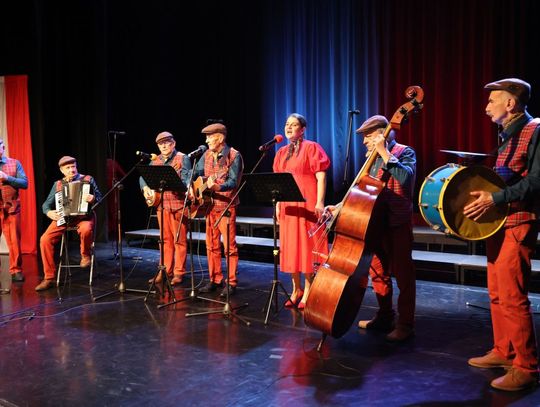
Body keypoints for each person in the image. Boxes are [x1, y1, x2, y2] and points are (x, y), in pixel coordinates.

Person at [464, 78, 540, 391]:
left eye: (492, 101)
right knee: (496, 292)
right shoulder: (507, 134)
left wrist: (494, 198)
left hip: (519, 220)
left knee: (512, 296)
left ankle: (526, 367)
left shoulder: (535, 130)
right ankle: (504, 350)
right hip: (499, 222)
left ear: (510, 103)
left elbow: (536, 181)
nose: (486, 107)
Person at [329, 115, 417, 342]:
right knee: (378, 273)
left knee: (404, 276)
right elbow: (361, 190)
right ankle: (385, 316)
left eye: (368, 136)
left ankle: (405, 324)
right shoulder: (371, 159)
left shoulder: (404, 152)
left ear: (382, 134)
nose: (364, 141)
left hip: (397, 222)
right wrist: (339, 206)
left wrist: (385, 153)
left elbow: (405, 179)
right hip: (374, 222)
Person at [273, 113, 330, 309]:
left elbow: (321, 177)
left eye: (294, 124)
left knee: (307, 246)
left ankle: (308, 289)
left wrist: (320, 202)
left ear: (303, 129)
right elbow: (278, 183)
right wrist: (278, 205)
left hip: (307, 202)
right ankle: (296, 289)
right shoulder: (281, 153)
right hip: (288, 205)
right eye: (287, 124)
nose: (289, 127)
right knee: (290, 246)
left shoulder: (311, 147)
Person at [36, 156, 102, 291]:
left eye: (73, 166)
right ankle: (49, 278)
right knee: (44, 240)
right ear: (62, 170)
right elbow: (45, 205)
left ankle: (85, 255)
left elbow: (100, 198)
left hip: (84, 217)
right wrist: (49, 212)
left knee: (86, 229)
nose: (72, 170)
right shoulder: (58, 185)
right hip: (64, 218)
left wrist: (93, 198)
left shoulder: (88, 179)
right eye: (68, 168)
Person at [193, 122, 243, 297]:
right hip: (208, 206)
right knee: (211, 245)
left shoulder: (234, 155)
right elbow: (195, 172)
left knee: (229, 247)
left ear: (220, 138)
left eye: (209, 137)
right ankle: (215, 279)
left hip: (226, 206)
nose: (206, 141)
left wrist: (217, 187)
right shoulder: (206, 154)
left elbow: (233, 182)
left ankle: (231, 282)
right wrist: (192, 186)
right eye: (206, 137)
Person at [139, 131, 191, 286]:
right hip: (162, 206)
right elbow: (143, 177)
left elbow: (187, 179)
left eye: (166, 143)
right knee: (164, 240)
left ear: (173, 144)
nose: (163, 146)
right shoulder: (156, 160)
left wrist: (180, 184)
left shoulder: (183, 158)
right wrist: (145, 188)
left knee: (179, 241)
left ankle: (179, 273)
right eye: (160, 144)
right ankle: (164, 271)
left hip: (178, 205)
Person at [0, 139, 28, 283]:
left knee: (14, 241)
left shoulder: (15, 163)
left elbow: (25, 183)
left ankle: (16, 270)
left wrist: (7, 178)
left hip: (11, 208)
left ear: (3, 147)